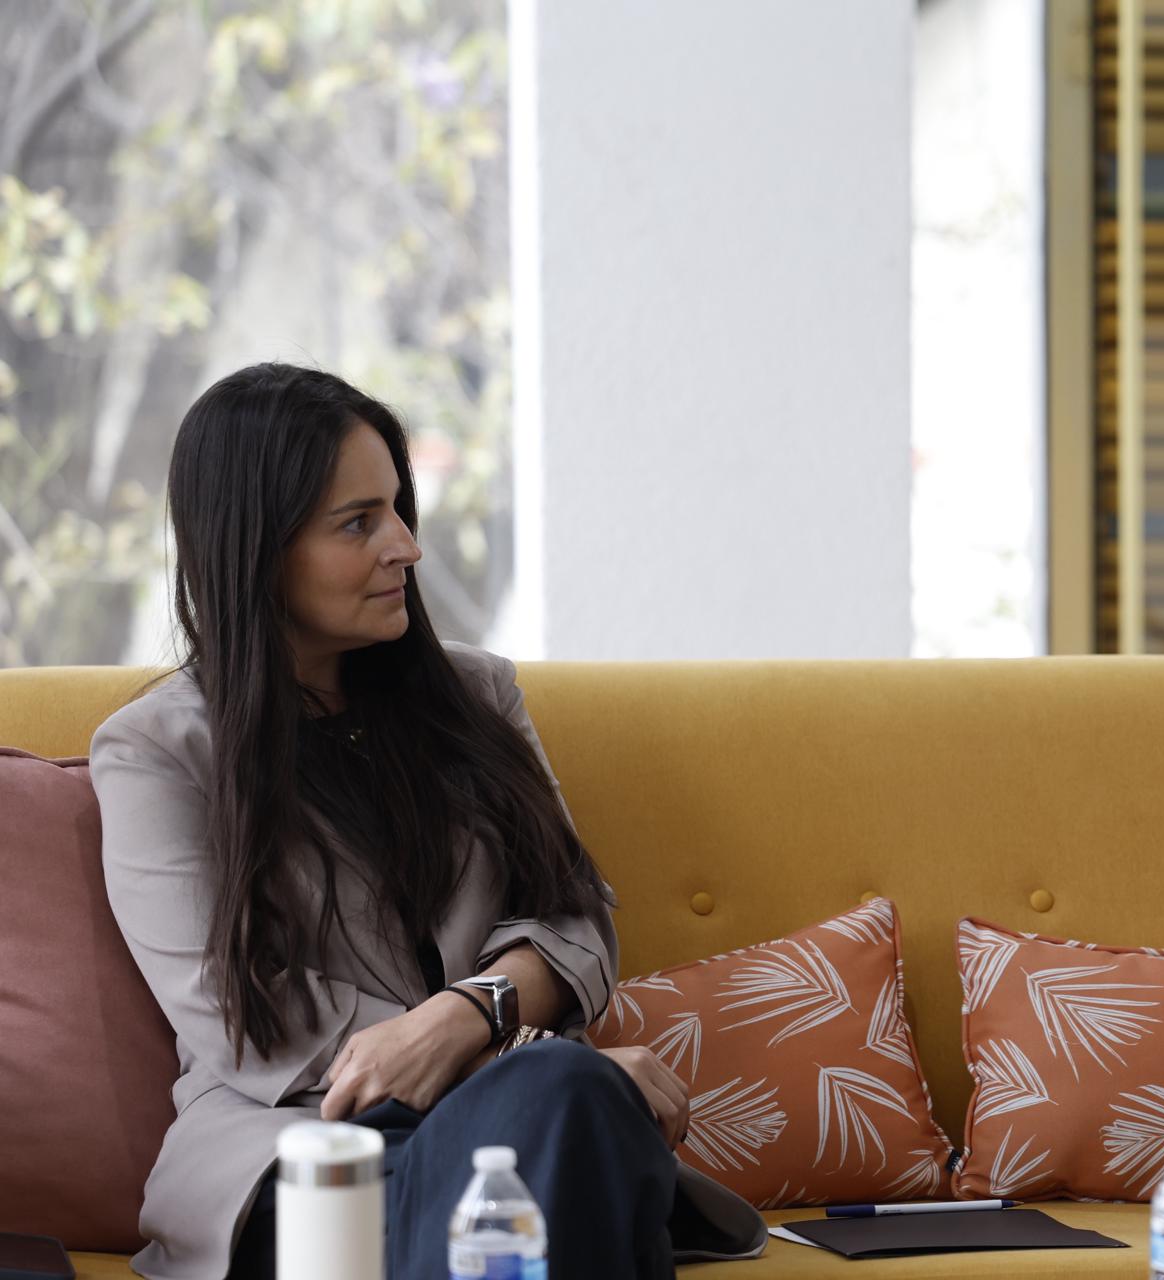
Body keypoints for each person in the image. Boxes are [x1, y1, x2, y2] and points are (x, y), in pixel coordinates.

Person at [91, 364, 762, 1278]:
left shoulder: (477, 696)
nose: (405, 546)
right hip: (304, 1155)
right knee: (563, 1115)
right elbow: (245, 1017)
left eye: (399, 509)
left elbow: (577, 920)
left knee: (549, 1134)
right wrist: (506, 1061)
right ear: (257, 546)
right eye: (358, 523)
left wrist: (468, 1018)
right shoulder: (155, 754)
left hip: (521, 1131)